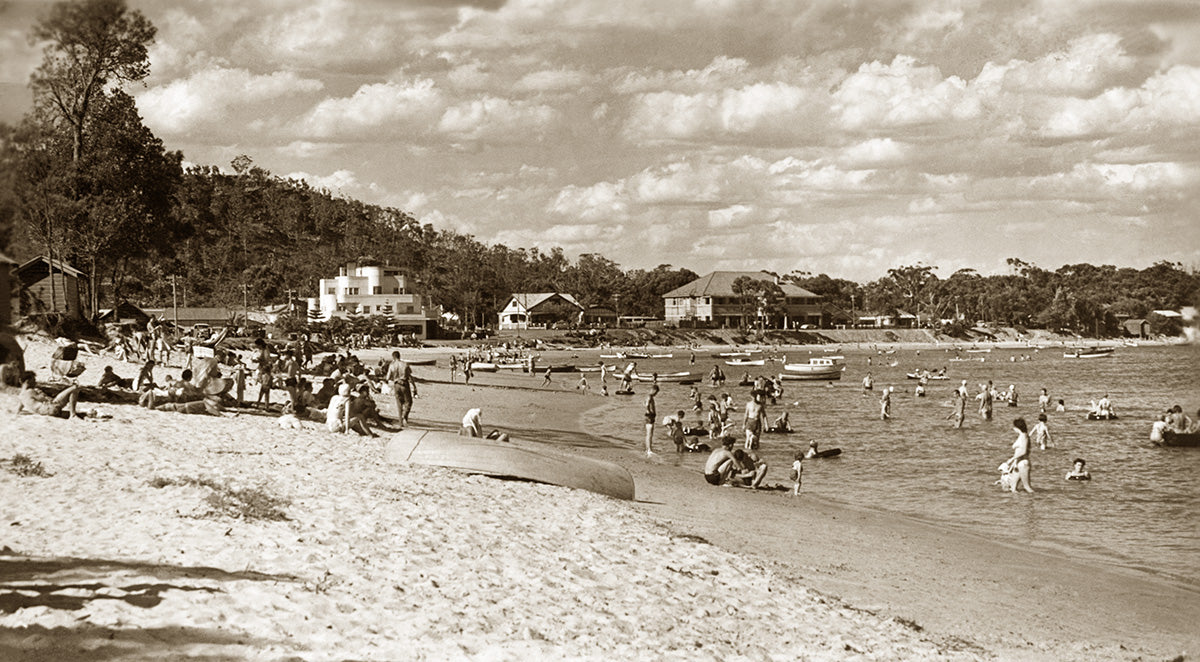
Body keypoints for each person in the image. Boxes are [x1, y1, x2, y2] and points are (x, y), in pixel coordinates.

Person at [16, 372, 85, 419]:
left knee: (78, 414)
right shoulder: (31, 391)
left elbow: (18, 410)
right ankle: (73, 414)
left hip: (45, 412)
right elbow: (47, 399)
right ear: (28, 382)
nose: (35, 382)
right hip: (51, 408)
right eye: (33, 380)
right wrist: (41, 393)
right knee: (74, 388)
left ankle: (77, 414)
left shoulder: (21, 395)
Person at [1002, 418, 1034, 493]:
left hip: (1023, 463)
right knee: (1013, 488)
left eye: (1014, 427)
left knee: (1027, 487)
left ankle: (1038, 500)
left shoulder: (1024, 436)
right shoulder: (1021, 436)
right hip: (1018, 463)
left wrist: (1012, 459)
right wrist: (1013, 464)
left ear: (1017, 428)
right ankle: (1017, 503)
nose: (1013, 429)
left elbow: (1023, 451)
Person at [386, 351, 415, 427]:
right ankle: (404, 416)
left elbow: (387, 377)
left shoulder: (391, 365)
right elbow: (410, 376)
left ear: (393, 357)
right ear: (399, 356)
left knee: (399, 404)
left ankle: (400, 422)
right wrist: (414, 387)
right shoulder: (405, 364)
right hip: (404, 384)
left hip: (396, 384)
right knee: (408, 402)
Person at [643, 385, 658, 456]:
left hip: (650, 416)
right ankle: (649, 449)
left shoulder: (648, 396)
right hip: (649, 416)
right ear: (654, 390)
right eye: (656, 392)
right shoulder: (649, 396)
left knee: (649, 434)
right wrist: (649, 411)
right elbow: (646, 404)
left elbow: (644, 403)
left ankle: (648, 448)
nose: (656, 394)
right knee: (649, 434)